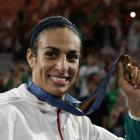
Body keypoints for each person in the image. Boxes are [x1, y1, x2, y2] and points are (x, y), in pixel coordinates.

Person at [0, 16, 140, 140]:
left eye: (72, 57)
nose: (62, 67)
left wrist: (135, 102)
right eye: (51, 54)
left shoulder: (78, 123)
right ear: (31, 58)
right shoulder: (5, 112)